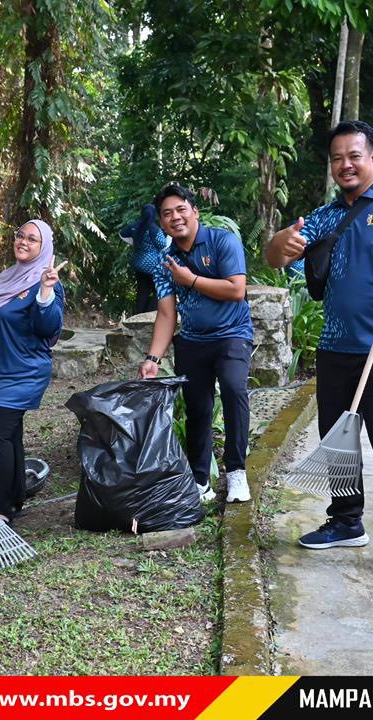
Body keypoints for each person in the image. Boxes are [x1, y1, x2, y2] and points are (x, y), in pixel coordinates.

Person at [264, 120, 373, 576]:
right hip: (334, 347)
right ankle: (345, 522)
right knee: (338, 442)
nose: (346, 164)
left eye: (354, 156)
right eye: (338, 158)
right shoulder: (323, 216)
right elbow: (274, 256)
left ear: (372, 158)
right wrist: (282, 243)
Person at [137, 184, 253, 506]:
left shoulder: (222, 241)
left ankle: (236, 472)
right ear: (161, 223)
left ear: (194, 211)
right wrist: (153, 358)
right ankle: (201, 481)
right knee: (198, 409)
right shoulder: (166, 259)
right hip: (192, 341)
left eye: (180, 209)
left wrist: (191, 280)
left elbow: (236, 290)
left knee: (233, 389)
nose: (175, 217)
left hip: (232, 335)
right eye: (167, 214)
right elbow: (165, 312)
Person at [0, 220, 65, 522]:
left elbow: (48, 327)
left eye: (32, 239)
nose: (23, 241)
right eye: (20, 235)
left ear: (43, 246)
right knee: (8, 434)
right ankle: (14, 497)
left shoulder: (45, 281)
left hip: (22, 372)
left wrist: (45, 292)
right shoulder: (7, 278)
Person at [120, 204, 170, 314]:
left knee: (142, 291)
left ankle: (137, 315)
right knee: (159, 291)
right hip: (153, 266)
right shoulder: (154, 229)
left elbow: (122, 234)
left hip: (138, 264)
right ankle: (150, 312)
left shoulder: (135, 226)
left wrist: (134, 242)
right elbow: (163, 244)